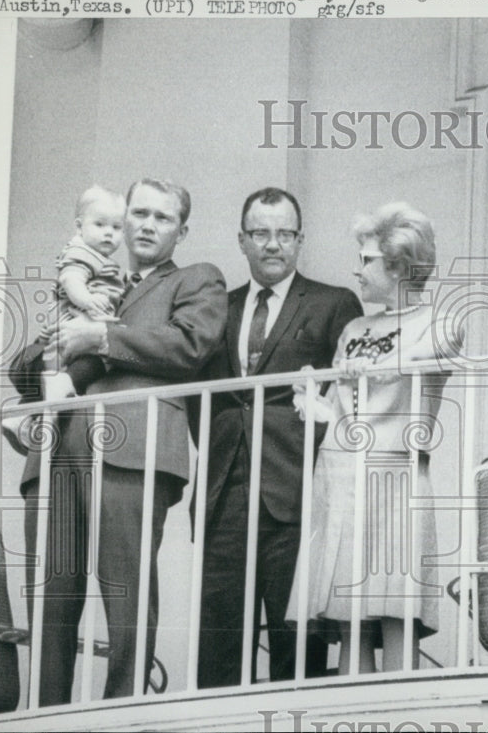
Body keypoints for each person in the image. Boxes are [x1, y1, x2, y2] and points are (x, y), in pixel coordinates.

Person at [8, 178, 227, 704]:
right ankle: (46, 711)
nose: (147, 225)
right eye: (139, 213)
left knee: (125, 594)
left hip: (133, 448)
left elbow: (190, 344)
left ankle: (123, 710)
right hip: (57, 449)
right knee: (51, 596)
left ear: (183, 230)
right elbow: (22, 365)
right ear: (123, 219)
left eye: (163, 217)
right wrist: (64, 339)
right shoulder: (91, 277)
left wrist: (100, 337)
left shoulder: (197, 278)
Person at [195, 187, 362, 688]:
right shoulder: (217, 309)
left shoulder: (334, 303)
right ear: (242, 240)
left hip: (299, 494)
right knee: (219, 646)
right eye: (260, 233)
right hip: (225, 494)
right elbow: (199, 402)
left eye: (284, 234)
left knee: (297, 647)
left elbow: (348, 394)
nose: (273, 244)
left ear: (300, 239)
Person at [287, 202, 463, 673]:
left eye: (366, 260)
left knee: (397, 613)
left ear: (400, 264)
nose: (357, 270)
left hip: (396, 476)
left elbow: (425, 356)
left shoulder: (441, 321)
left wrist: (370, 369)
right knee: (351, 622)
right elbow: (334, 406)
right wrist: (310, 393)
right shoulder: (353, 329)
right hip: (343, 475)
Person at [1, 185, 127, 452]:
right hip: (77, 319)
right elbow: (71, 279)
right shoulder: (82, 252)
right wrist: (87, 301)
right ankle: (31, 416)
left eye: (117, 228)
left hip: (77, 324)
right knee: (73, 371)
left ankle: (25, 415)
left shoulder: (102, 259)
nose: (109, 233)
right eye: (100, 224)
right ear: (79, 227)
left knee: (56, 380)